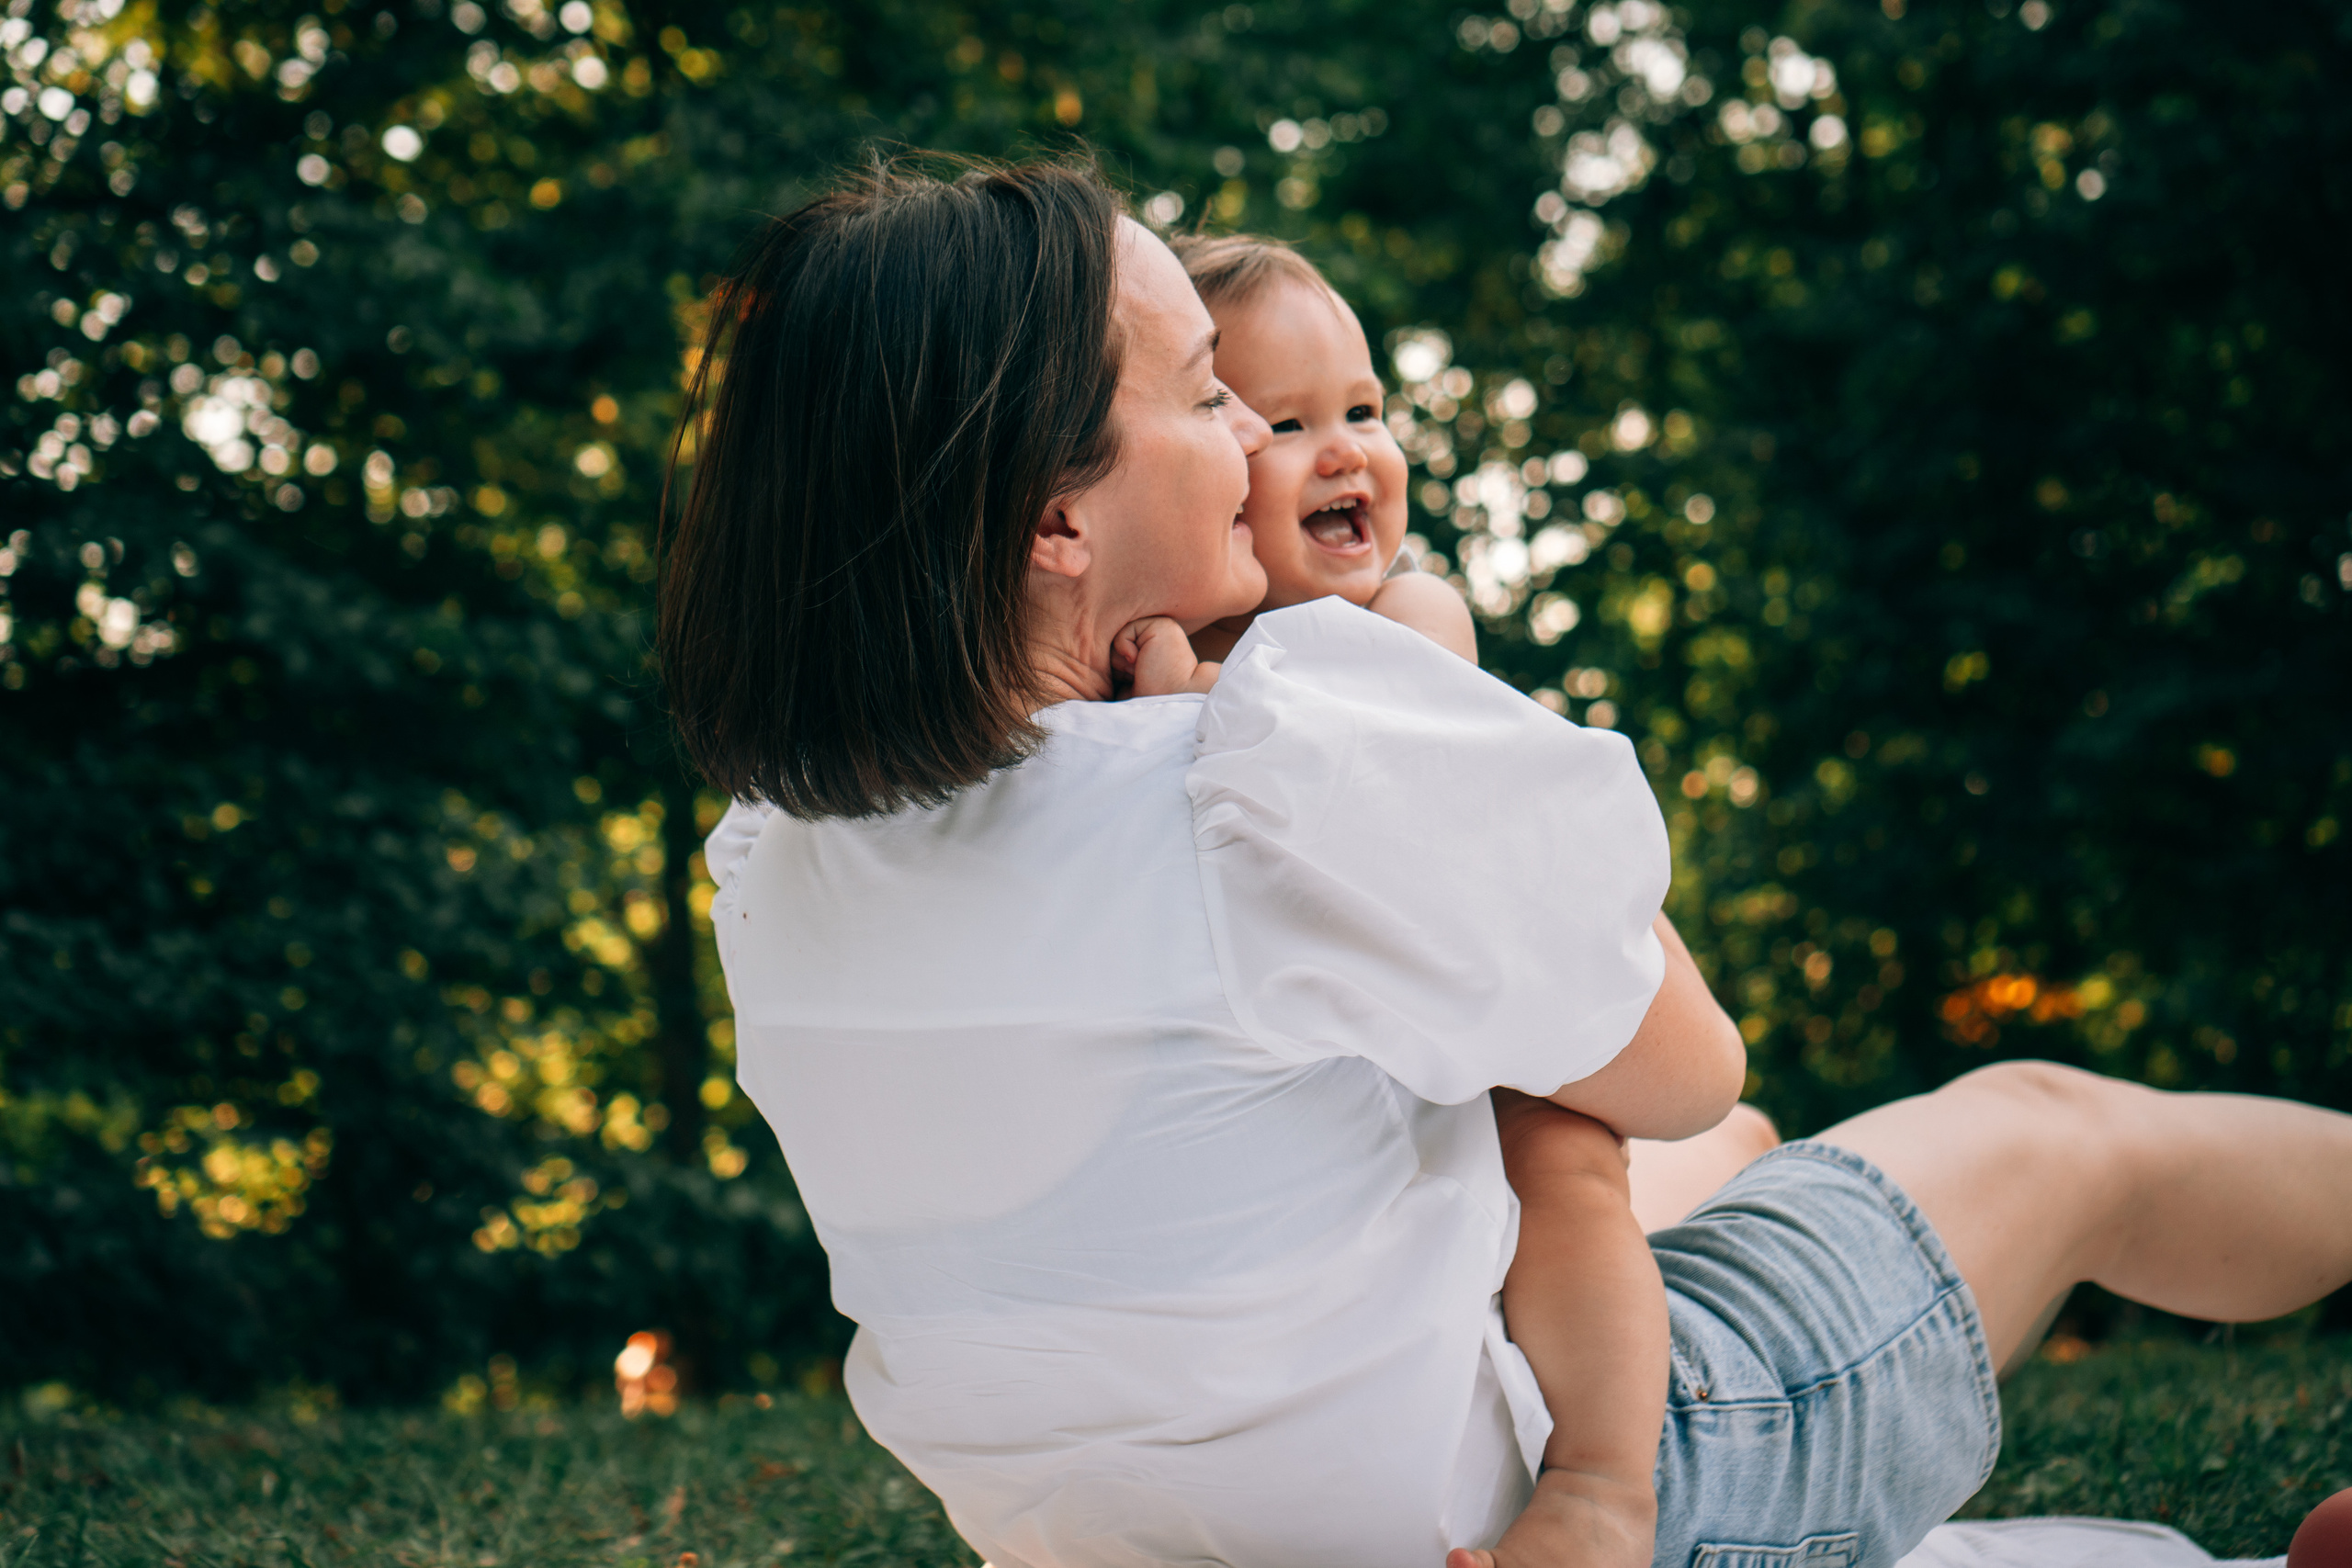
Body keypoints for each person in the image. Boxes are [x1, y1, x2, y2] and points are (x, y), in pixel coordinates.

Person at [662, 155, 2352, 1568]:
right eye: (1203, 393)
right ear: (1053, 519)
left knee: (1724, 1167)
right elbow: (1683, 1065)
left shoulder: (778, 863)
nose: (1255, 431)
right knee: (2054, 1135)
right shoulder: (1278, 762)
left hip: (1158, 1529)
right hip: (1533, 1512)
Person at [1121, 230, 1768, 1568]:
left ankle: (1600, 1486)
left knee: (1565, 1166)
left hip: (1503, 1038)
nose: (1348, 447)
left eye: (1363, 408)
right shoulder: (1214, 644)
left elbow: (1331, 748)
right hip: (1353, 1067)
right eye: (1282, 423)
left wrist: (1186, 692)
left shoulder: (1408, 619)